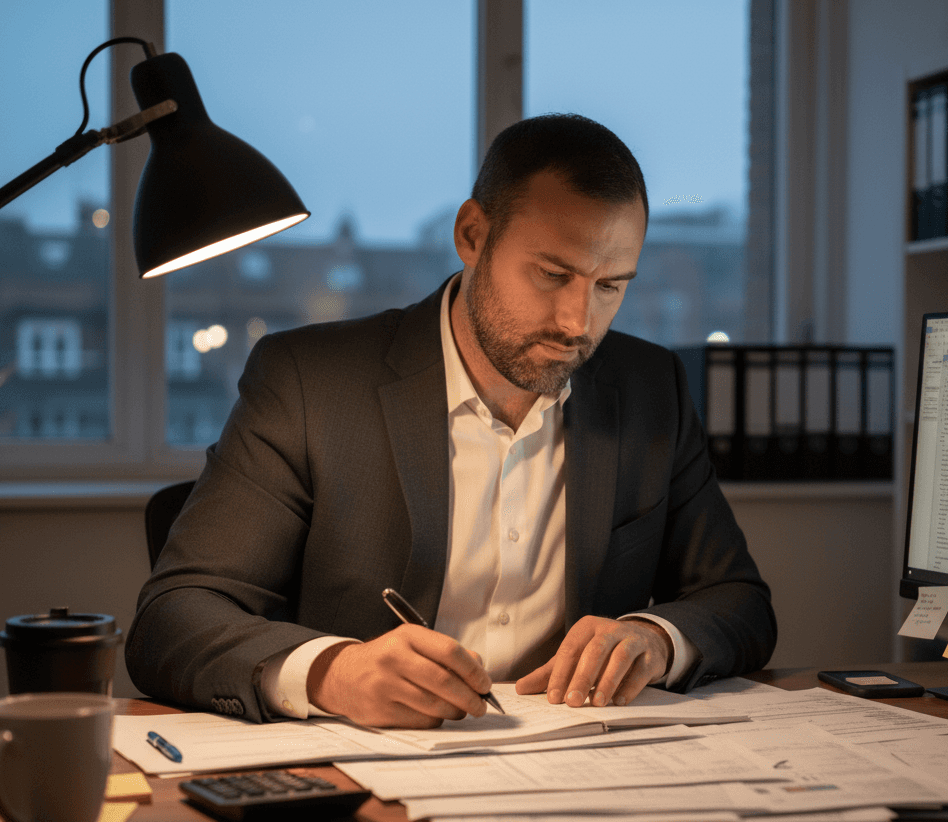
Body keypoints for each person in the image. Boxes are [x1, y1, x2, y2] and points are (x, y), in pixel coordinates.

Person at [126, 114, 776, 728]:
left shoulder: (648, 388)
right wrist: (334, 672)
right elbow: (174, 617)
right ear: (472, 236)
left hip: (578, 779)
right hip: (369, 787)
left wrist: (655, 638)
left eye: (611, 286)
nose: (579, 324)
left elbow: (738, 603)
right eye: (553, 275)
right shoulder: (309, 382)